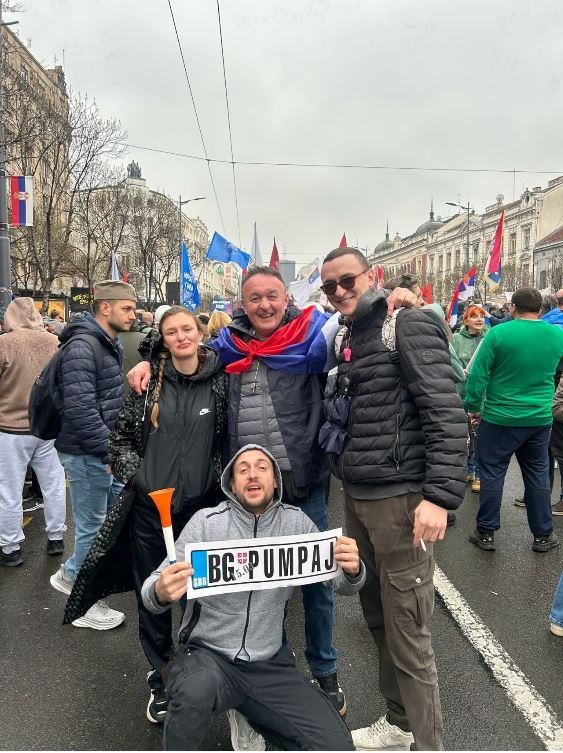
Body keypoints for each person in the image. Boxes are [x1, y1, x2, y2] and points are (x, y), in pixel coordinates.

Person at [128, 267, 416, 717]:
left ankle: (325, 671)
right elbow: (183, 350)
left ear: (286, 299)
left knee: (318, 583)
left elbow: (359, 327)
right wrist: (149, 358)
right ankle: (265, 669)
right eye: (255, 298)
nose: (264, 305)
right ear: (243, 304)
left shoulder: (313, 337)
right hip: (248, 493)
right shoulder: (227, 345)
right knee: (255, 581)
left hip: (302, 482)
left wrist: (392, 302)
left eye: (272, 296)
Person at [319, 247, 467, 751]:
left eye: (348, 280)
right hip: (358, 496)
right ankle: (400, 724)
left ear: (371, 276)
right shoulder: (346, 334)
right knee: (379, 617)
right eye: (329, 286)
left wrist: (439, 497)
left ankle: (429, 744)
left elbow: (445, 412)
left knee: (408, 631)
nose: (339, 291)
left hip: (401, 500)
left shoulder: (405, 323)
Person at [142, 444, 364, 751]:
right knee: (194, 693)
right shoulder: (206, 523)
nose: (252, 474)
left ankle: (250, 714)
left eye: (262, 467)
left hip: (269, 665)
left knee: (335, 743)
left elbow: (342, 584)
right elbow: (150, 590)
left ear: (275, 481)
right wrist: (159, 590)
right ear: (232, 484)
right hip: (209, 658)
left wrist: (353, 569)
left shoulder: (297, 523)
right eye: (242, 469)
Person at [106, 306, 227, 723]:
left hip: (202, 511)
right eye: (171, 332)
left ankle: (198, 670)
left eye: (187, 329)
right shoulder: (147, 383)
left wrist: (217, 485)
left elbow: (227, 440)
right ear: (163, 338)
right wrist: (141, 479)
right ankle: (161, 674)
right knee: (155, 595)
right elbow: (119, 440)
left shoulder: (221, 381)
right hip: (150, 513)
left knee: (200, 593)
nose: (181, 337)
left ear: (200, 332)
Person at [49, 280, 138, 630]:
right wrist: (111, 453)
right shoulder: (84, 346)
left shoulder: (104, 341)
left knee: (108, 522)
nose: (133, 315)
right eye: (127, 308)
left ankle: (72, 573)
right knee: (92, 527)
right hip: (88, 453)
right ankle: (82, 602)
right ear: (105, 307)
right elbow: (81, 410)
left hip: (98, 451)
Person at [465, 287, 563, 553]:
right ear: (540, 309)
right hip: (538, 418)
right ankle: (543, 535)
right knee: (538, 474)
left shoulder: (498, 333)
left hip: (500, 417)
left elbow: (478, 375)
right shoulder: (557, 335)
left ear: (512, 308)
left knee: (492, 473)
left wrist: (473, 406)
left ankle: (486, 532)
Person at [0, 298, 66, 566]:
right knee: (54, 484)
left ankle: (10, 547)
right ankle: (56, 537)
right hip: (48, 427)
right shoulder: (55, 342)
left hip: (11, 428)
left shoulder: (5, 343)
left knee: (9, 489)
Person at [452, 304, 488, 494]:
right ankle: (468, 468)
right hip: (460, 394)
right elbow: (449, 363)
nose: (479, 319)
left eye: (481, 316)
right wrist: (459, 372)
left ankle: (479, 474)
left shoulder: (489, 338)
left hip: (483, 396)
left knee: (480, 436)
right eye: (474, 316)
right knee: (464, 436)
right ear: (466, 321)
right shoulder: (456, 339)